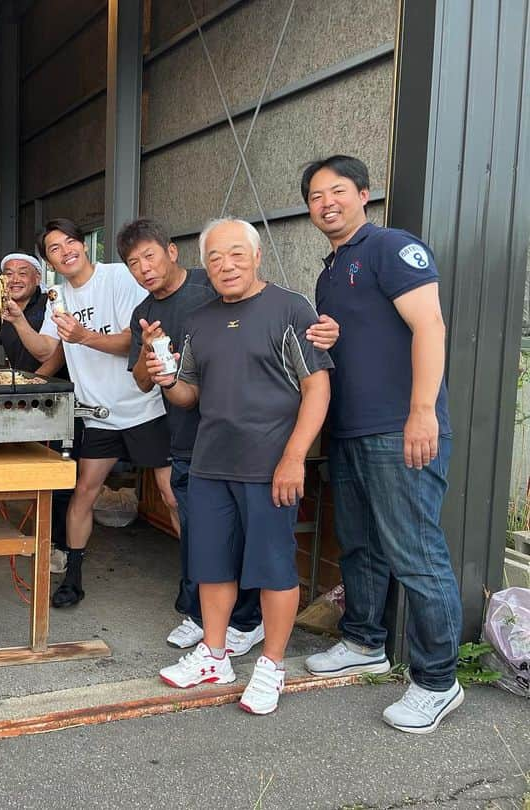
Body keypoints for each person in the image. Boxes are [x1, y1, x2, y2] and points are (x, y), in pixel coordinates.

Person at [300, 155, 464, 733]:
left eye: (337, 191)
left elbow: (430, 326)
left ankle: (439, 680)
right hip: (350, 431)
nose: (327, 203)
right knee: (361, 548)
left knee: (417, 556)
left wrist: (422, 412)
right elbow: (367, 337)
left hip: (401, 430)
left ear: (364, 193)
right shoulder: (330, 270)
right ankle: (365, 640)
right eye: (316, 196)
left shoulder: (392, 247)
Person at [153, 217, 332, 715]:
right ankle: (214, 654)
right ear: (204, 266)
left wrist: (295, 457)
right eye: (214, 257)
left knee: (274, 569)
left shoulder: (291, 308)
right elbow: (188, 394)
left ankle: (272, 665)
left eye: (236, 254)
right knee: (211, 563)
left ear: (257, 257)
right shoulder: (201, 319)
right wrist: (166, 377)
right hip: (211, 463)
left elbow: (317, 387)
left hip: (271, 464)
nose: (225, 265)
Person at [119, 218, 263, 658]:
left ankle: (246, 620)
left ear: (172, 251)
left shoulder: (212, 286)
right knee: (199, 531)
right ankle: (200, 614)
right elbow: (143, 382)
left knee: (244, 533)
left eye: (149, 255)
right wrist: (148, 350)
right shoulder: (143, 313)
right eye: (133, 262)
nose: (144, 268)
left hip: (235, 437)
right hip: (184, 437)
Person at [18, 218, 176, 609]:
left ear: (84, 245)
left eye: (70, 242)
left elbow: (133, 341)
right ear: (49, 261)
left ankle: (195, 579)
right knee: (83, 493)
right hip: (98, 414)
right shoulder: (56, 295)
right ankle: (73, 577)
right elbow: (47, 351)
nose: (65, 251)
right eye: (54, 248)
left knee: (172, 496)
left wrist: (83, 336)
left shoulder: (119, 277)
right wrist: (18, 319)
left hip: (144, 407)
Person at [0, 252, 72, 572]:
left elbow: (56, 354)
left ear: (37, 278)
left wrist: (31, 386)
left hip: (50, 398)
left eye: (23, 272)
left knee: (55, 474)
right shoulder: (2, 308)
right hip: (22, 394)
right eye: (8, 273)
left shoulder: (51, 303)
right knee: (13, 464)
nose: (15, 278)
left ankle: (57, 545)